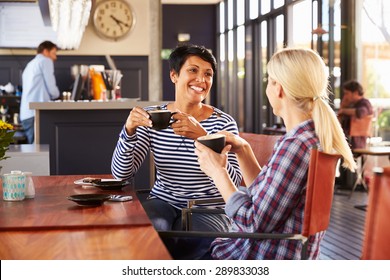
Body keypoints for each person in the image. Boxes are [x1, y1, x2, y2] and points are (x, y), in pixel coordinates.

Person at [194, 47, 356, 259]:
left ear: (278, 88)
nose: (267, 89)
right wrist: (243, 150)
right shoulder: (312, 138)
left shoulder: (296, 146)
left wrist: (218, 172)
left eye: (269, 81)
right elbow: (267, 200)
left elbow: (252, 222)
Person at [111, 44, 242, 259]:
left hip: (209, 208)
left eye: (208, 74)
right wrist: (129, 131)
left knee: (191, 244)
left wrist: (204, 137)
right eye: (193, 70)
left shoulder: (224, 122)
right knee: (147, 236)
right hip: (163, 201)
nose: (202, 79)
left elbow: (235, 182)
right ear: (174, 75)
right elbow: (121, 176)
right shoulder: (153, 118)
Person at [20, 41, 60, 144]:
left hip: (26, 114)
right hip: (35, 114)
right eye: (54, 53)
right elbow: (53, 90)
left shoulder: (30, 64)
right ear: (46, 51)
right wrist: (58, 95)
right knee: (37, 153)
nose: (55, 57)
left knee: (33, 150)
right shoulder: (45, 61)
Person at [338, 80, 373, 149]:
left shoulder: (365, 103)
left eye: (347, 93)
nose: (345, 96)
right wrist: (343, 106)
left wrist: (343, 110)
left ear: (355, 93)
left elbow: (361, 113)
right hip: (347, 140)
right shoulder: (352, 105)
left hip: (355, 142)